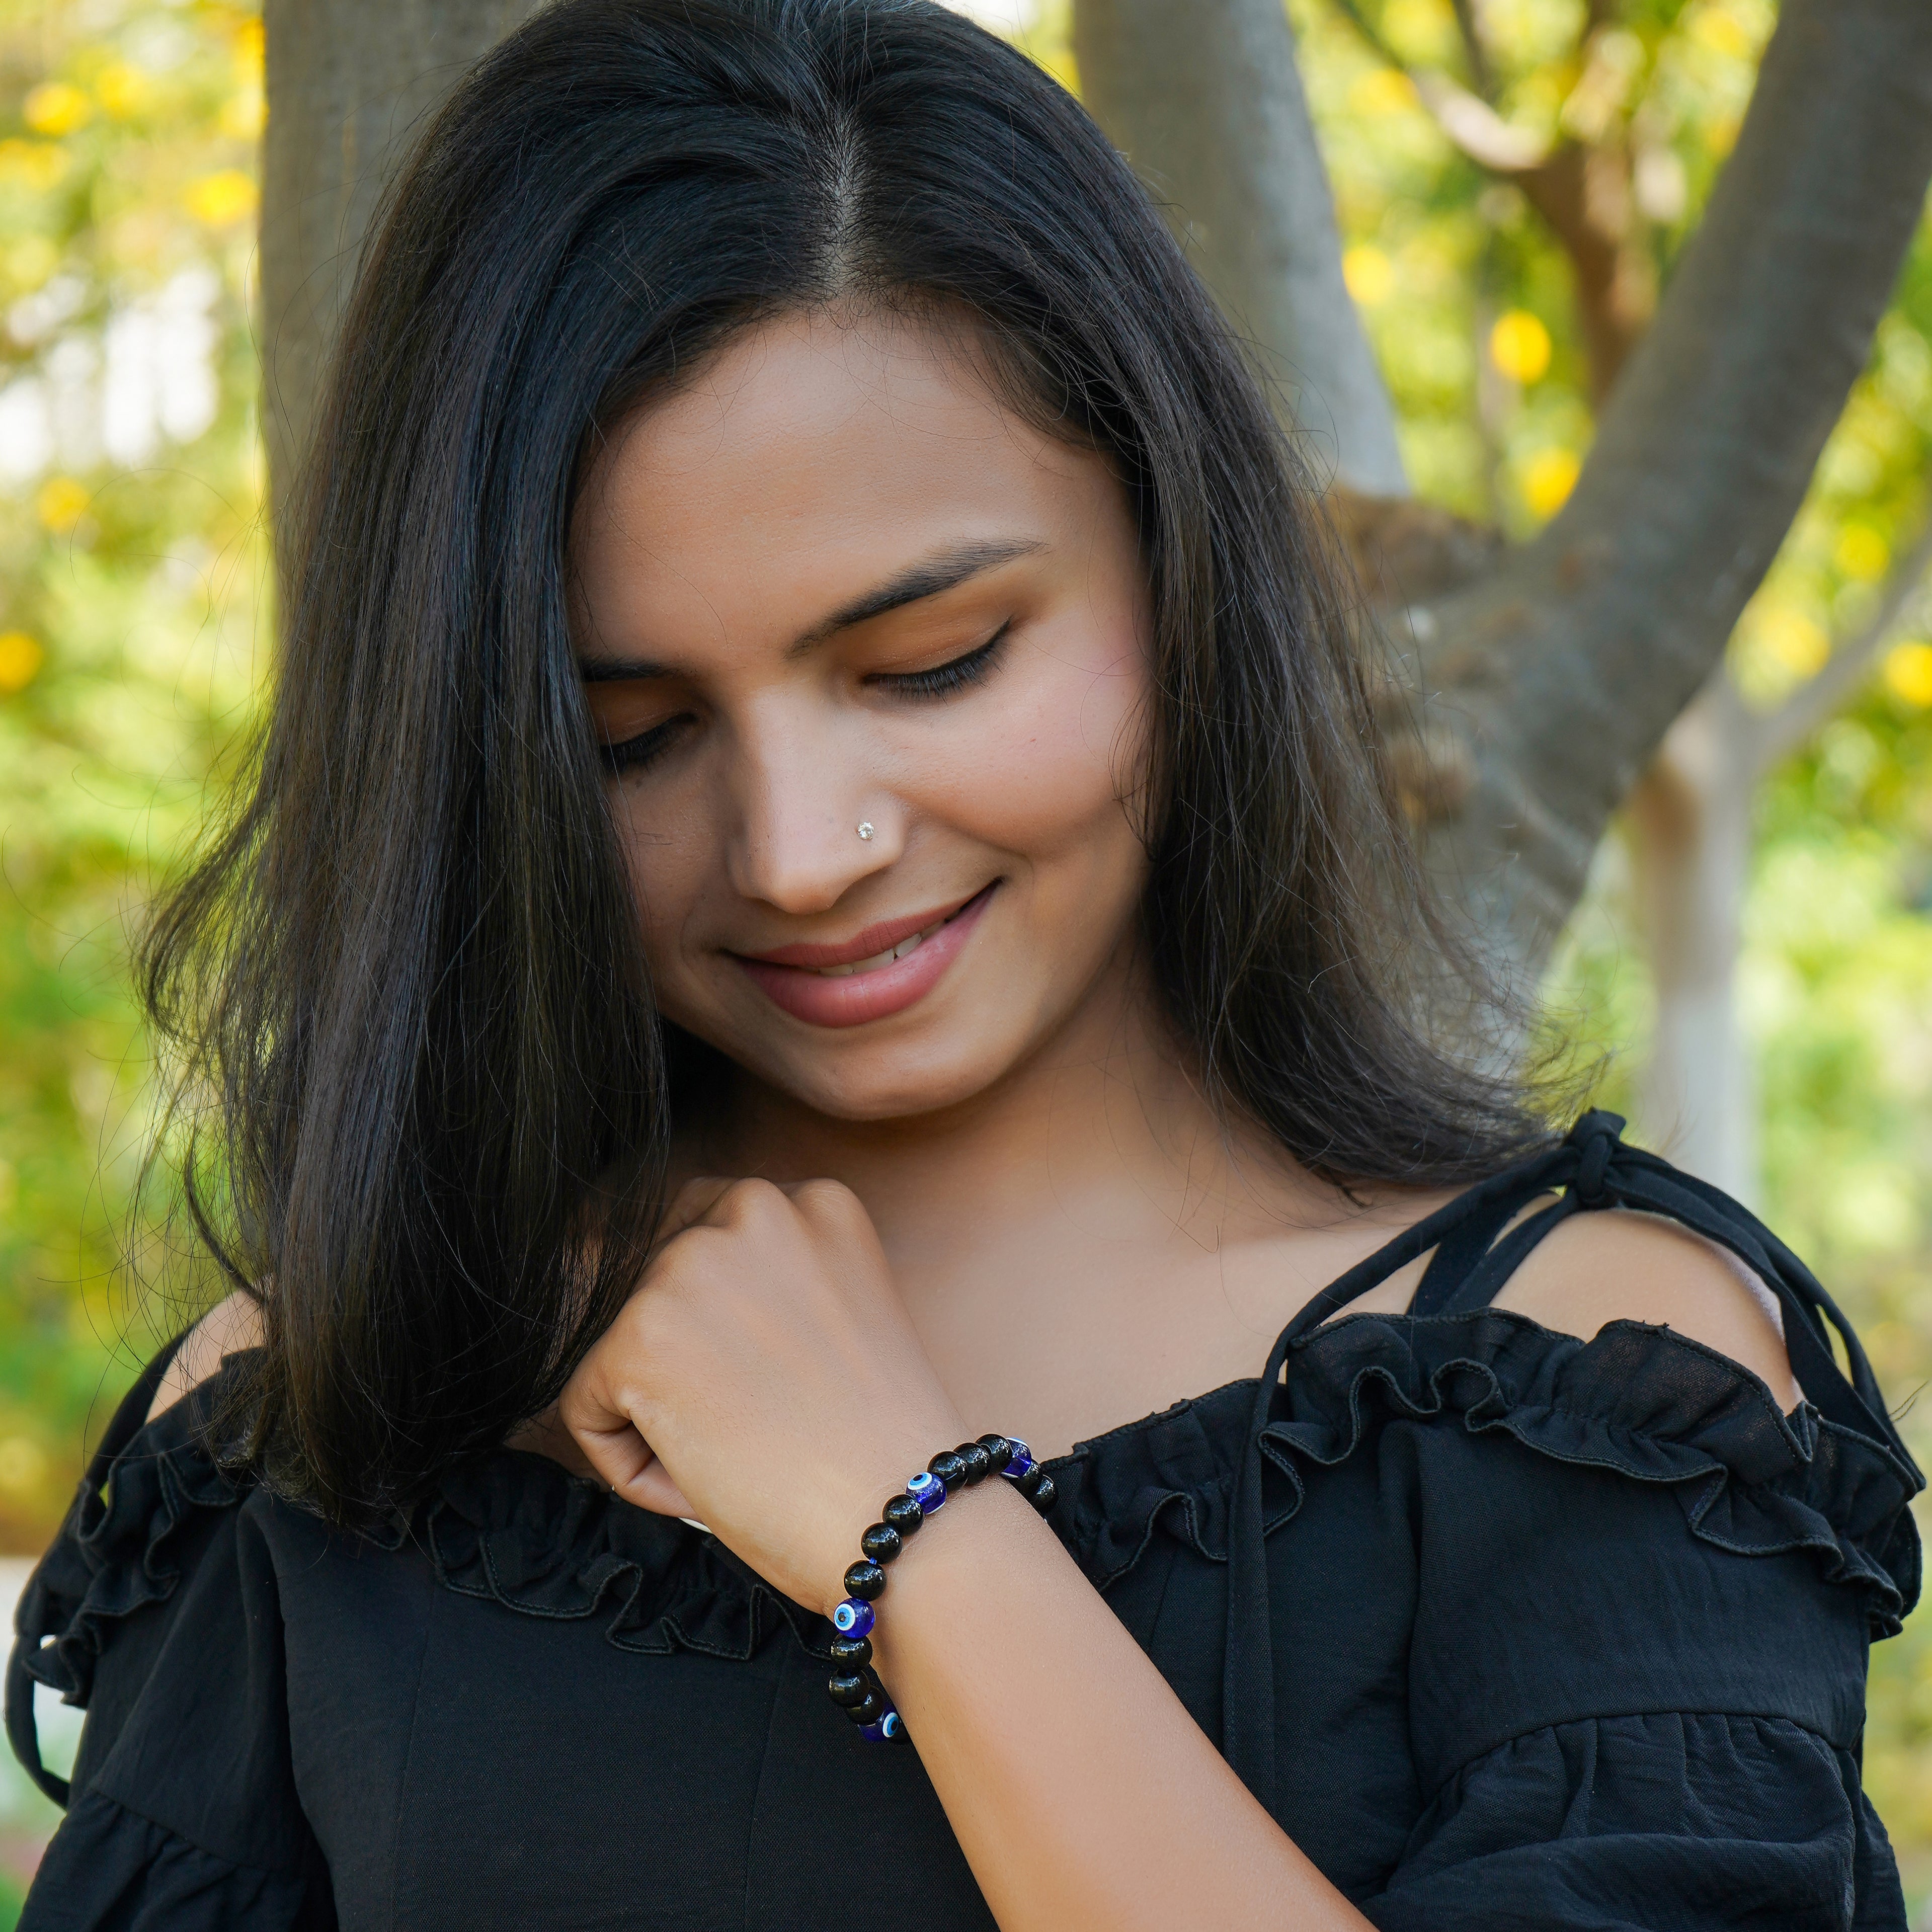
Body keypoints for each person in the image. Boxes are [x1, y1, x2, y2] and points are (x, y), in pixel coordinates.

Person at [9, 2, 1920, 1925]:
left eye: (928, 666)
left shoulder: (1574, 1383)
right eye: (631, 739)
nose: (801, 850)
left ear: (1182, 569)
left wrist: (909, 1527)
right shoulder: (331, 1408)